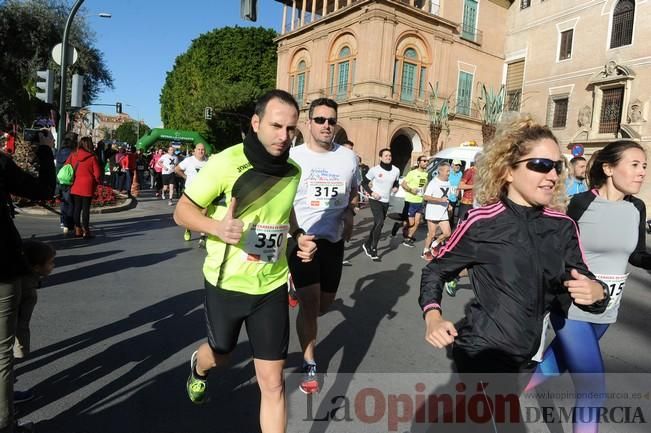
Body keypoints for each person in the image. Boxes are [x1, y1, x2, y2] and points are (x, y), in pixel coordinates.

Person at [419, 115, 608, 430]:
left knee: (473, 419)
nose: (551, 175)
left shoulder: (562, 227)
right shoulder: (482, 221)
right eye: (539, 165)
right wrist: (433, 317)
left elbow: (584, 283)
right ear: (508, 170)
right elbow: (436, 271)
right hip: (482, 350)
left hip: (528, 356)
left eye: (556, 167)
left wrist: (597, 292)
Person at [173, 90, 316, 433]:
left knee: (273, 383)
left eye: (291, 129)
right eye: (276, 126)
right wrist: (216, 228)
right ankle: (199, 366)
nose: (284, 136)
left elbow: (285, 214)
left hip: (270, 285)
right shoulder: (225, 162)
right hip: (226, 283)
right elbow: (183, 212)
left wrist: (299, 238)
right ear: (256, 123)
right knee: (221, 353)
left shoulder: (293, 171)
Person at [526, 140, 650, 433]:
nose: (641, 172)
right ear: (608, 168)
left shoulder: (637, 207)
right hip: (571, 307)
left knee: (551, 367)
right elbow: (555, 248)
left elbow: (636, 255)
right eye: (634, 165)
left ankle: (493, 397)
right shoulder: (582, 203)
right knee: (593, 390)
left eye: (644, 166)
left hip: (606, 312)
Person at [288, 98, 358, 394]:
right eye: (320, 120)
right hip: (302, 240)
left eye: (331, 120)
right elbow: (280, 201)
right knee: (310, 305)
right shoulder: (293, 157)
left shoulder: (349, 158)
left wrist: (350, 215)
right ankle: (309, 362)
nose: (326, 125)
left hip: (333, 241)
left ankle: (293, 287)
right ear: (308, 123)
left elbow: (352, 191)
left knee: (324, 305)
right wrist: (294, 234)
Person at [0, 127, 55, 433]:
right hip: (4, 267)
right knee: (2, 352)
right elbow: (44, 189)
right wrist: (45, 149)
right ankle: (5, 422)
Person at [361, 148, 400, 260]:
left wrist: (396, 187)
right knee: (379, 222)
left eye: (390, 155)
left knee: (378, 224)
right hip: (375, 199)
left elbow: (396, 182)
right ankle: (374, 248)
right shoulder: (374, 170)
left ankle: (367, 244)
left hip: (386, 201)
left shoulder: (396, 170)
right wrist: (372, 193)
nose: (388, 157)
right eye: (386, 155)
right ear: (380, 157)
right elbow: (364, 183)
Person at [66, 136, 102, 239]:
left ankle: (78, 229)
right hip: (87, 186)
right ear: (90, 145)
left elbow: (66, 167)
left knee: (76, 208)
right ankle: (86, 231)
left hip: (75, 185)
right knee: (86, 210)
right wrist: (96, 182)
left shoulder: (73, 155)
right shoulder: (92, 157)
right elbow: (98, 174)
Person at [175, 143, 208, 245]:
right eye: (199, 149)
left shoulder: (208, 161)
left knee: (204, 213)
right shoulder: (189, 160)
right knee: (190, 213)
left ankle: (202, 236)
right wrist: (185, 177)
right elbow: (177, 169)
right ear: (194, 150)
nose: (201, 151)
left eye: (202, 150)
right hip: (190, 191)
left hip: (204, 191)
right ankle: (188, 229)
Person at [422, 162, 451, 260]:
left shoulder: (448, 182)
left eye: (449, 171)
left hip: (443, 211)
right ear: (440, 171)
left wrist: (449, 204)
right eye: (447, 171)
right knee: (431, 234)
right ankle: (425, 250)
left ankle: (435, 244)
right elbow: (425, 197)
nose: (448, 173)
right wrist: (439, 200)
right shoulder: (433, 182)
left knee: (447, 233)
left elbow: (446, 196)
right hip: (433, 211)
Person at [400, 156, 429, 247]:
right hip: (410, 201)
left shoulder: (426, 174)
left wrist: (425, 196)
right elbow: (403, 184)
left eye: (427, 161)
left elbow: (424, 187)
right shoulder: (412, 173)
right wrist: (411, 190)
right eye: (424, 161)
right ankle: (403, 230)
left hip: (420, 201)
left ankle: (408, 238)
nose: (426, 162)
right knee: (411, 223)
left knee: (417, 223)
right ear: (419, 162)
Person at [55, 134, 75, 233]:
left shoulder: (58, 153)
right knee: (70, 202)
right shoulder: (72, 153)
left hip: (60, 179)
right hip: (69, 180)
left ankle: (63, 221)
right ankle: (69, 223)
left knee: (63, 202)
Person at [447, 159, 463, 226]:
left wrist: (458, 191)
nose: (458, 166)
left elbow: (459, 184)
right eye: (456, 165)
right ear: (452, 165)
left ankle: (449, 231)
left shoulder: (460, 173)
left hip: (454, 197)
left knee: (451, 214)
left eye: (459, 165)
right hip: (446, 197)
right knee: (446, 214)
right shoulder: (448, 172)